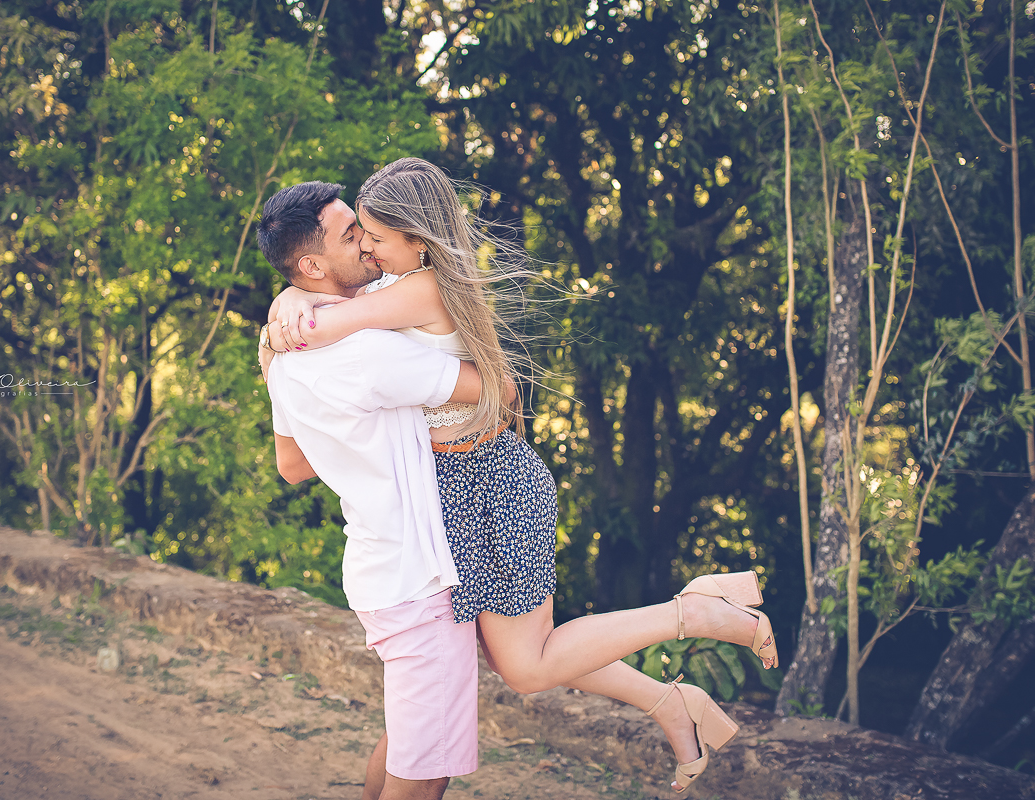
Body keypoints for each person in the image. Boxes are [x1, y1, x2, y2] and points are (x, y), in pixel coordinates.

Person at [262, 159, 778, 794]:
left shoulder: (415, 292)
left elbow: (331, 330)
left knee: (524, 666)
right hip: (451, 496)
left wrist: (290, 313)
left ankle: (694, 613)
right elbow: (331, 340)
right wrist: (292, 294)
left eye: (371, 235)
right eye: (354, 236)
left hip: (488, 485)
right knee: (462, 682)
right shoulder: (384, 292)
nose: (365, 247)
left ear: (417, 239)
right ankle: (674, 703)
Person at [256, 180, 493, 800]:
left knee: (407, 746)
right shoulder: (369, 354)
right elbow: (493, 388)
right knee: (423, 771)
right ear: (312, 265)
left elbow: (292, 464)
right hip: (418, 578)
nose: (364, 239)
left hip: (375, 569)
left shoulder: (282, 360)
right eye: (348, 233)